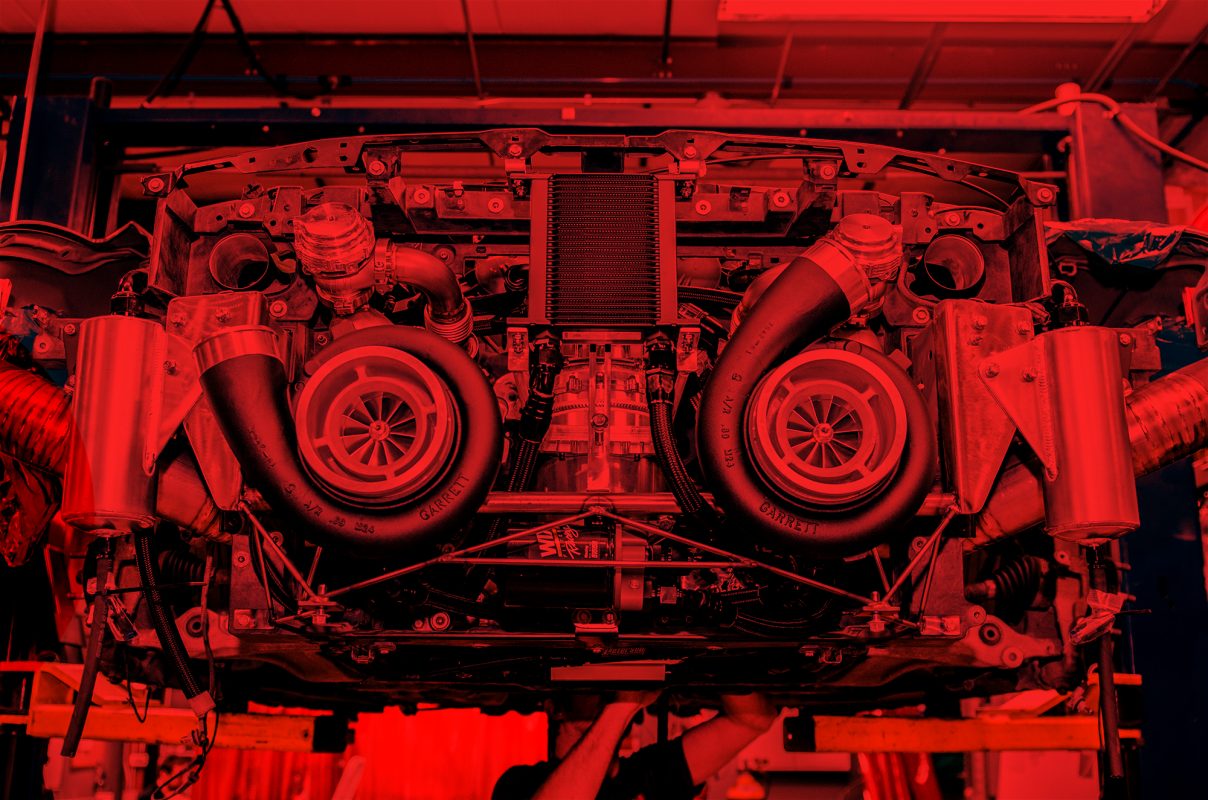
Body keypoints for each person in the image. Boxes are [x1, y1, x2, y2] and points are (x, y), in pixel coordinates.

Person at [492, 692, 778, 800]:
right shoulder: (521, 784)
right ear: (555, 709)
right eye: (591, 685)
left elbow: (752, 720)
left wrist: (715, 651)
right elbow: (754, 720)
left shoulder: (648, 773)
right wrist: (621, 706)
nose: (607, 690)